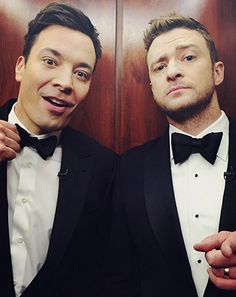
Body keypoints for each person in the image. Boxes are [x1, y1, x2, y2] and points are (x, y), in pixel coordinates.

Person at [103, 13, 236, 297]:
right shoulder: (128, 169)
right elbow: (118, 277)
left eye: (187, 57)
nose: (172, 72)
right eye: (159, 66)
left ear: (217, 72)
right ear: (152, 87)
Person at [0, 3, 117, 297]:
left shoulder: (104, 167)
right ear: (21, 67)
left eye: (81, 74)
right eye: (51, 62)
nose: (65, 83)